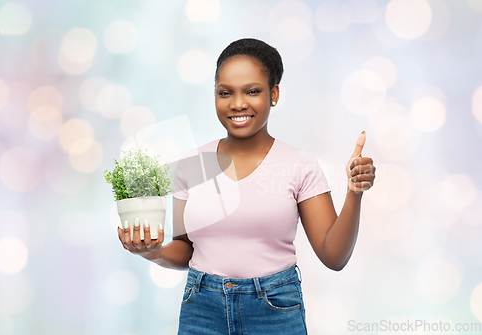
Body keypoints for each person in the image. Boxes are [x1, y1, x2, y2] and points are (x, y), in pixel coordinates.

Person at [117, 38, 376, 334]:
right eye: (225, 93)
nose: (237, 103)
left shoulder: (299, 165)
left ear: (273, 94)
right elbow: (186, 249)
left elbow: (334, 256)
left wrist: (354, 194)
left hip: (274, 309)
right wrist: (154, 253)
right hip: (201, 308)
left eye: (252, 91)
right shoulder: (192, 164)